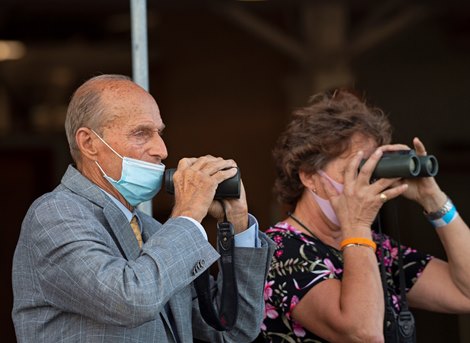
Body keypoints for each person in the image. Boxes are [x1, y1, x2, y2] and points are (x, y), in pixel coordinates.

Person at [12, 74, 274, 343]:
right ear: (89, 143)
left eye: (159, 133)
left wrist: (238, 222)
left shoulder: (153, 230)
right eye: (141, 133)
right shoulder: (55, 215)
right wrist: (188, 214)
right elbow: (130, 300)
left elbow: (233, 330)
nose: (161, 149)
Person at [260, 89, 470, 342]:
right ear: (309, 176)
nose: (364, 182)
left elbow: (465, 293)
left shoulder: (375, 247)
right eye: (353, 169)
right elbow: (362, 333)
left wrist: (434, 200)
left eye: (371, 169)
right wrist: (357, 224)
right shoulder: (277, 251)